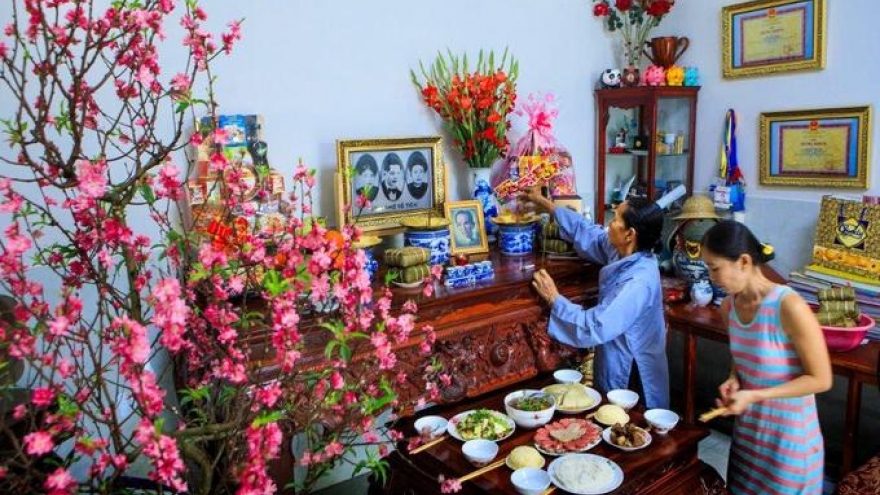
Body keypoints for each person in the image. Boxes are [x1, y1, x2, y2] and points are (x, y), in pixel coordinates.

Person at [701, 220, 831, 495]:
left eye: (715, 268)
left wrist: (755, 395)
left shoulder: (789, 305)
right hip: (749, 440)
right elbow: (746, 352)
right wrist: (734, 377)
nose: (711, 277)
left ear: (744, 262)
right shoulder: (729, 307)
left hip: (788, 446)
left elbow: (821, 379)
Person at [520, 186, 669, 408]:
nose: (609, 222)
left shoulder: (639, 281)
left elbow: (596, 325)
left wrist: (555, 299)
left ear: (630, 234)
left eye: (616, 219)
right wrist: (546, 204)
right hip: (614, 354)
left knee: (629, 428)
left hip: (633, 368)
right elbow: (587, 232)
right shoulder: (621, 250)